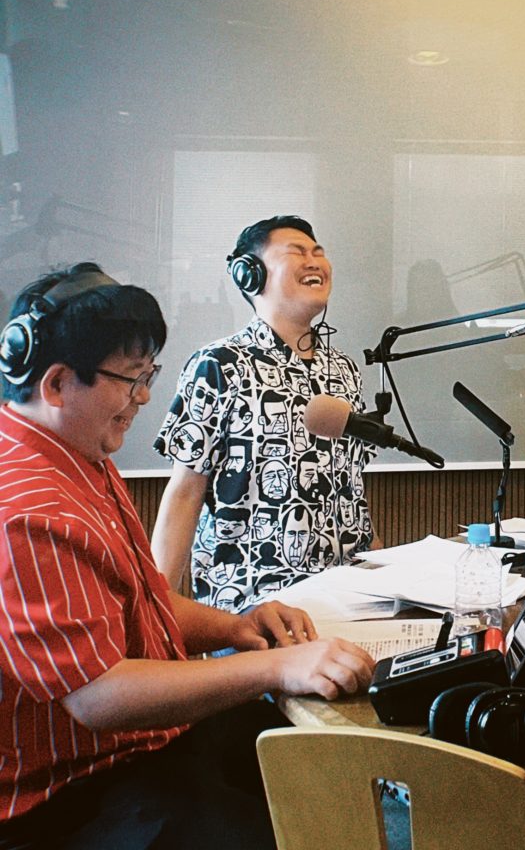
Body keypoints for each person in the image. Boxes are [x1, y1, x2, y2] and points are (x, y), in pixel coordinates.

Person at [0, 263, 374, 847]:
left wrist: (237, 627)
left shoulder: (77, 453)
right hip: (72, 796)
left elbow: (138, 601)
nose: (145, 396)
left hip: (137, 755)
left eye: (147, 374)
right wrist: (276, 668)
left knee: (315, 764)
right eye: (131, 378)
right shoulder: (25, 509)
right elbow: (99, 695)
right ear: (55, 384)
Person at [151, 215, 375, 608]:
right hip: (253, 604)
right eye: (297, 252)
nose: (314, 261)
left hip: (348, 596)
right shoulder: (219, 364)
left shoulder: (345, 370)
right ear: (250, 274)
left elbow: (352, 489)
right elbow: (185, 492)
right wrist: (156, 610)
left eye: (318, 253)